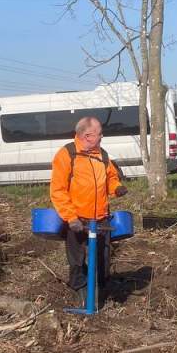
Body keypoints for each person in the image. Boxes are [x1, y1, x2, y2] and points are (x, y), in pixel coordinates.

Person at [49, 116, 127, 298]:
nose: (102, 137)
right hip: (77, 219)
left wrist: (117, 188)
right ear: (87, 135)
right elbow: (58, 190)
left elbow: (110, 179)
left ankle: (101, 293)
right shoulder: (67, 154)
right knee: (77, 260)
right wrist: (71, 218)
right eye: (99, 134)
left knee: (102, 259)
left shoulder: (102, 154)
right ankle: (80, 291)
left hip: (100, 219)